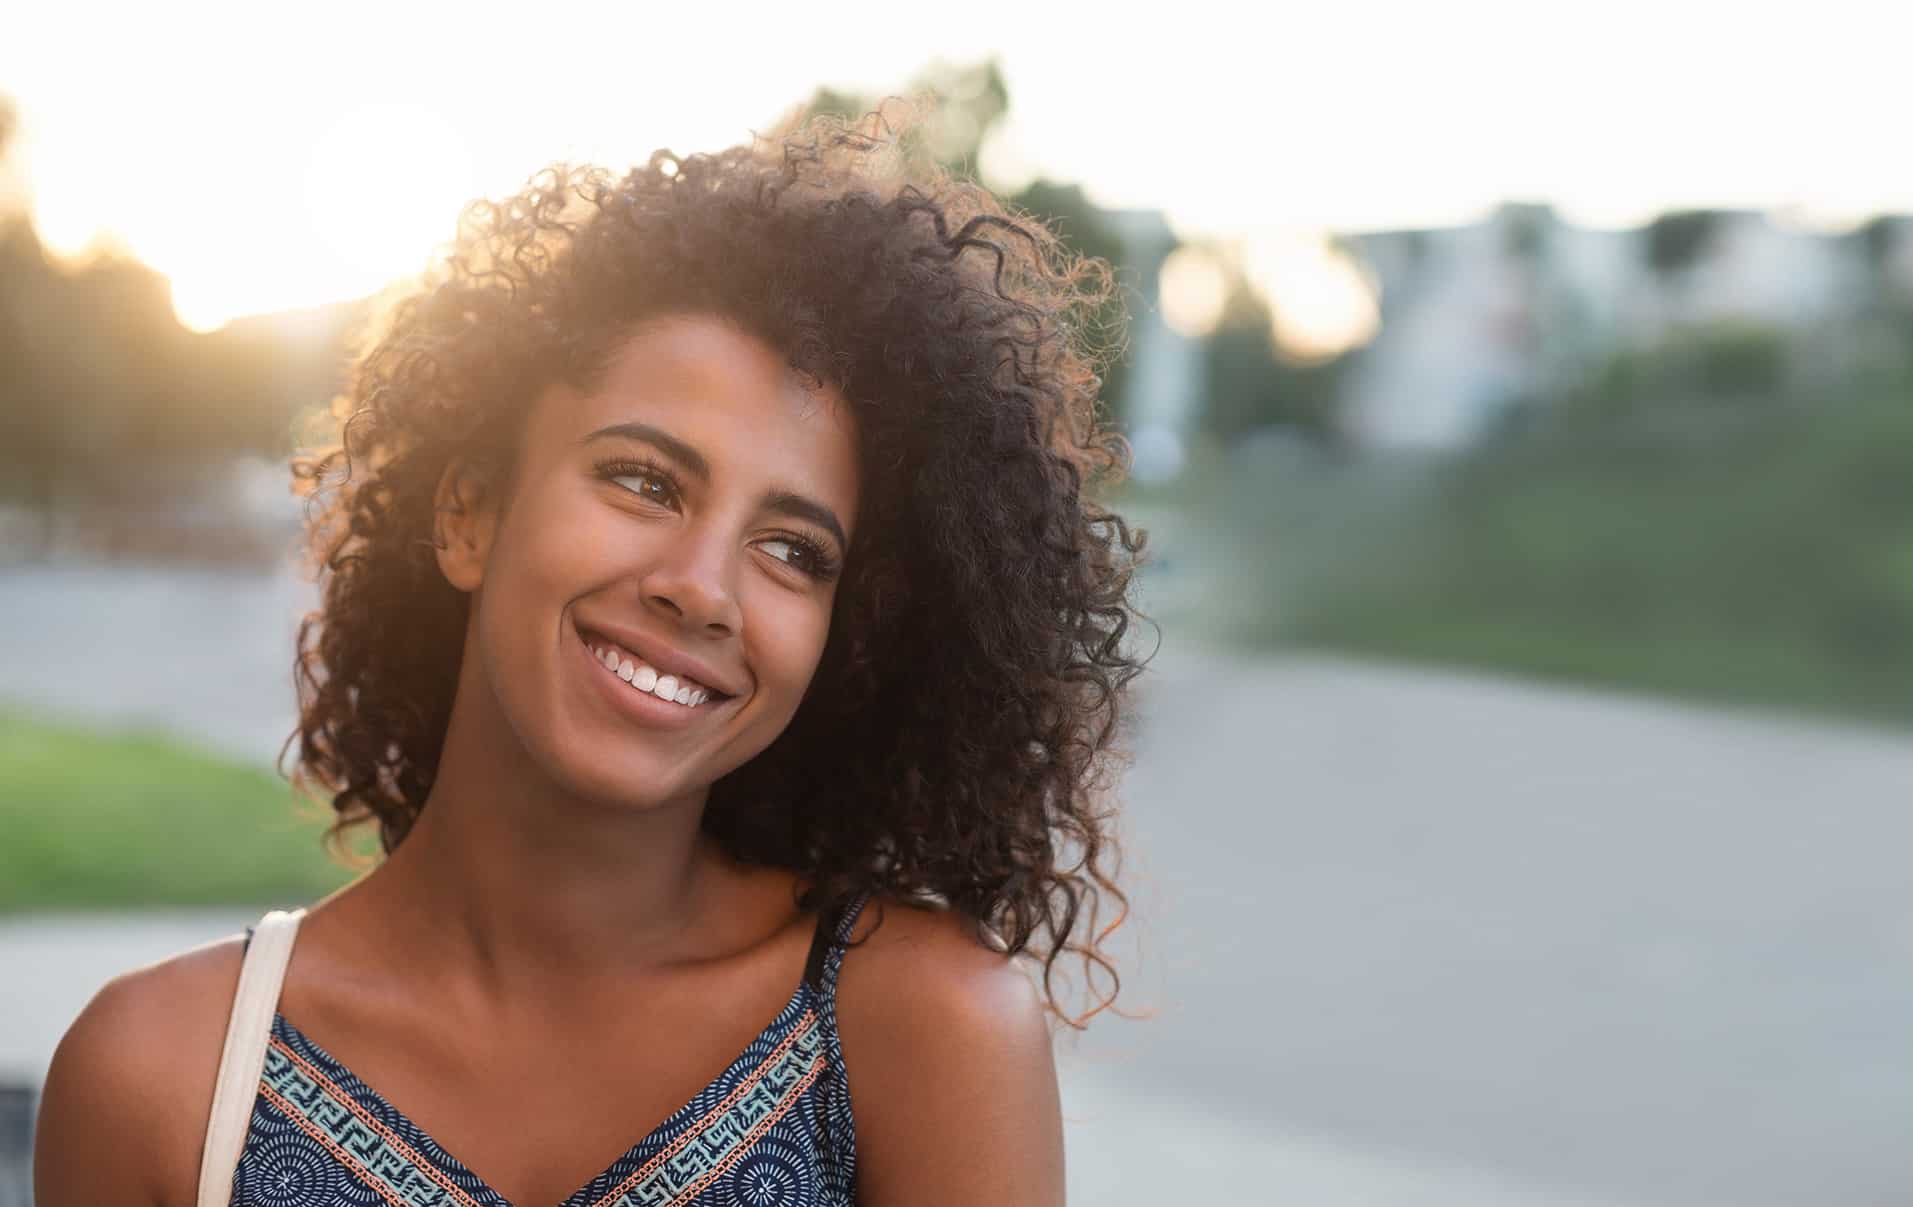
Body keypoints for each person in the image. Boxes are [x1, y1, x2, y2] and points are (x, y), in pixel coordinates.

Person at [32, 105, 1146, 1207]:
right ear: (470, 513)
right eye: (644, 481)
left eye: (792, 549)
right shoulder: (164, 1080)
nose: (701, 587)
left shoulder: (915, 1028)